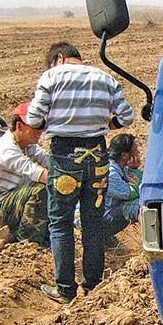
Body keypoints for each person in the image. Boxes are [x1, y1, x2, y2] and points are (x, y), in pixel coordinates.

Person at [26, 42, 135, 303]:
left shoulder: (52, 76)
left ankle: (65, 289)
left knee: (61, 223)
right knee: (93, 223)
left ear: (59, 59)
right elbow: (127, 117)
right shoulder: (105, 77)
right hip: (98, 155)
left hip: (65, 156)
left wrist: (53, 121)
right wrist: (105, 124)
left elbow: (33, 119)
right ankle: (93, 285)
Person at [0, 103, 50, 244]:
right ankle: (27, 239)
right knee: (41, 190)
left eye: (41, 127)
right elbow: (34, 171)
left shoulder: (28, 145)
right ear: (19, 126)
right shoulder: (6, 148)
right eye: (35, 127)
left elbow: (47, 160)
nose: (39, 132)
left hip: (15, 198)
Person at [103, 133, 142, 241]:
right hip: (97, 220)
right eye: (135, 150)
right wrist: (135, 172)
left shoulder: (121, 166)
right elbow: (131, 193)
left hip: (105, 212)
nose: (138, 153)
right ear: (124, 155)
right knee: (139, 206)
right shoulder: (111, 173)